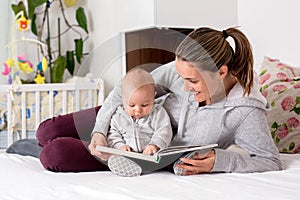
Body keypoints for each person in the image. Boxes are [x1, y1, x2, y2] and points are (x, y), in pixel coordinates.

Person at [37, 27, 282, 175]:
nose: (185, 87)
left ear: (221, 72)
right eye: (182, 78)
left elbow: (270, 160)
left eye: (193, 81)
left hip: (143, 150)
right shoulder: (182, 69)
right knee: (47, 130)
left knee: (54, 154)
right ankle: (34, 145)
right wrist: (100, 130)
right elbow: (126, 88)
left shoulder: (245, 111)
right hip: (130, 111)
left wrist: (221, 161)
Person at [102, 68, 172, 177]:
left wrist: (154, 144)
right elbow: (113, 135)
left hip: (150, 155)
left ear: (153, 96)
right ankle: (130, 167)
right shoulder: (118, 116)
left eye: (144, 105)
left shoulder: (158, 113)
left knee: (165, 155)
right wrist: (120, 146)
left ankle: (174, 165)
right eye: (131, 105)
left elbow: (164, 130)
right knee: (117, 156)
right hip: (129, 155)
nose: (138, 110)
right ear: (123, 99)